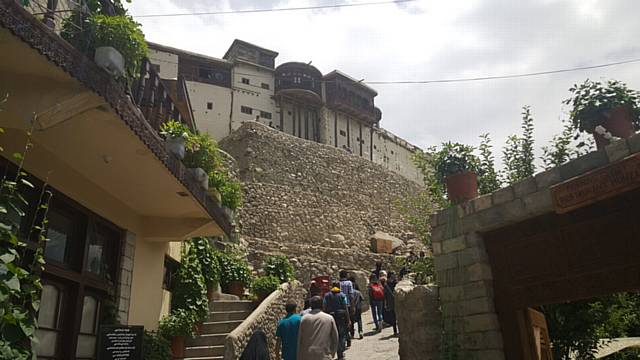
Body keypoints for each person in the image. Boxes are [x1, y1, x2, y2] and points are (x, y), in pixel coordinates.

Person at [297, 296, 338, 360]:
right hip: (324, 355)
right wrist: (332, 353)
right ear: (322, 305)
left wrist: (299, 356)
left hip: (306, 355)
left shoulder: (303, 319)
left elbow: (299, 339)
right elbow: (335, 338)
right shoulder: (329, 318)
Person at [323, 281, 350, 359]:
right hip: (341, 318)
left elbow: (324, 307)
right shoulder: (342, 295)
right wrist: (348, 319)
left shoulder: (326, 296)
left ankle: (334, 352)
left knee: (332, 335)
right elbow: (346, 308)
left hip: (330, 318)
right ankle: (340, 353)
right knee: (341, 335)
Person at [338, 270, 354, 347]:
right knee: (348, 321)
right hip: (347, 305)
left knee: (341, 323)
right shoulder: (349, 283)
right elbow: (351, 295)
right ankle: (348, 338)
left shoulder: (338, 283)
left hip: (339, 306)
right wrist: (353, 306)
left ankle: (343, 340)